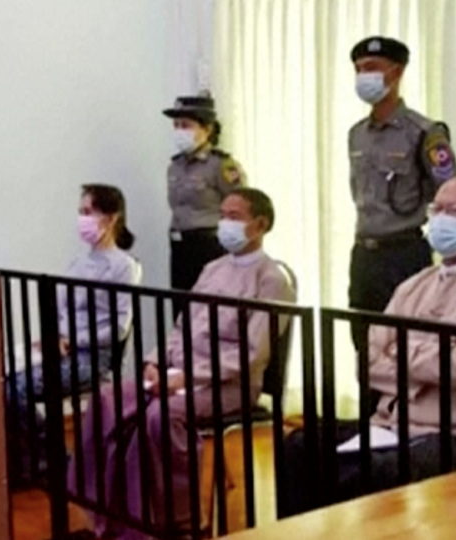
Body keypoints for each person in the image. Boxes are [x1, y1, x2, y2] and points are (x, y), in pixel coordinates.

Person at [283, 174, 456, 514]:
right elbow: (368, 364)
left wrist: (402, 357)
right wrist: (434, 363)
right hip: (390, 424)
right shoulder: (413, 285)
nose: (441, 219)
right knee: (301, 446)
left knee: (376, 471)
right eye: (437, 209)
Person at [72, 188, 296, 539]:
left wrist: (187, 378)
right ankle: (109, 507)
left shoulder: (272, 279)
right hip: (181, 373)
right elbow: (181, 326)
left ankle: (180, 518)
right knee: (108, 400)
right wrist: (156, 362)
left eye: (235, 216)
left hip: (229, 385)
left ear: (261, 224)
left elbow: (253, 352)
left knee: (160, 417)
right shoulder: (212, 269)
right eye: (222, 214)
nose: (225, 223)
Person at [7, 184, 142, 486]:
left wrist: (75, 341)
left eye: (88, 212)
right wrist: (52, 336)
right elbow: (60, 310)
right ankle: (27, 462)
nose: (82, 219)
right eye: (80, 212)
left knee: (17, 388)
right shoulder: (78, 263)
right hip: (62, 348)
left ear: (110, 218)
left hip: (92, 357)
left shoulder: (124, 267)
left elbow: (120, 327)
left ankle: (52, 460)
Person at [346, 36, 456, 350]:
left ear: (396, 73)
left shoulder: (424, 132)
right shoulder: (357, 134)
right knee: (365, 346)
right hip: (364, 255)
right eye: (357, 69)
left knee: (407, 346)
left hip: (404, 254)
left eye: (371, 67)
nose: (362, 76)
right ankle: (369, 402)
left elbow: (452, 192)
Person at [163, 93, 247, 304]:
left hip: (208, 245)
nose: (180, 131)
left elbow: (241, 205)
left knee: (210, 309)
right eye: (176, 125)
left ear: (207, 129)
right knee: (182, 308)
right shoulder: (175, 165)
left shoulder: (221, 165)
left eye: (186, 125)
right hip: (180, 246)